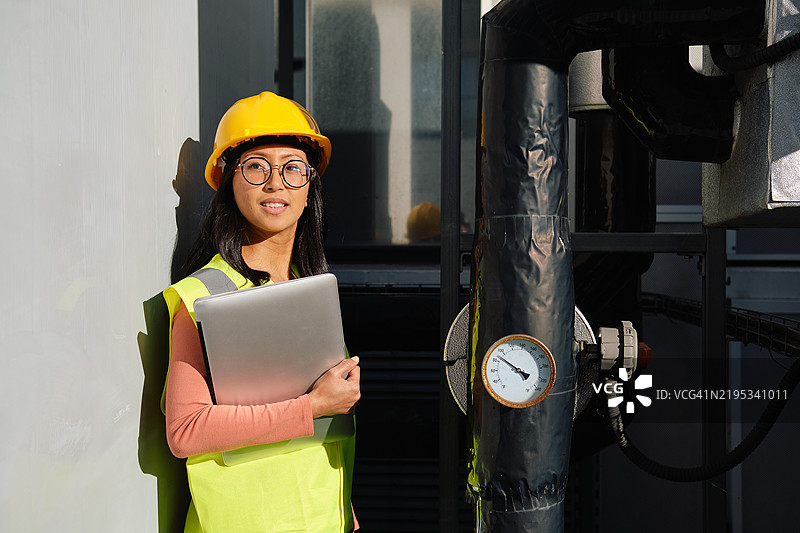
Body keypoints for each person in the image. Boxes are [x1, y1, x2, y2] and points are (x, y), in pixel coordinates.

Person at [162, 91, 361, 532]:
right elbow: (186, 430)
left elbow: (327, 432)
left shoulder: (311, 295)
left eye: (293, 168)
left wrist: (344, 510)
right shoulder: (202, 297)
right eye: (256, 167)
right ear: (229, 184)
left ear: (310, 189)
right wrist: (310, 405)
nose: (276, 184)